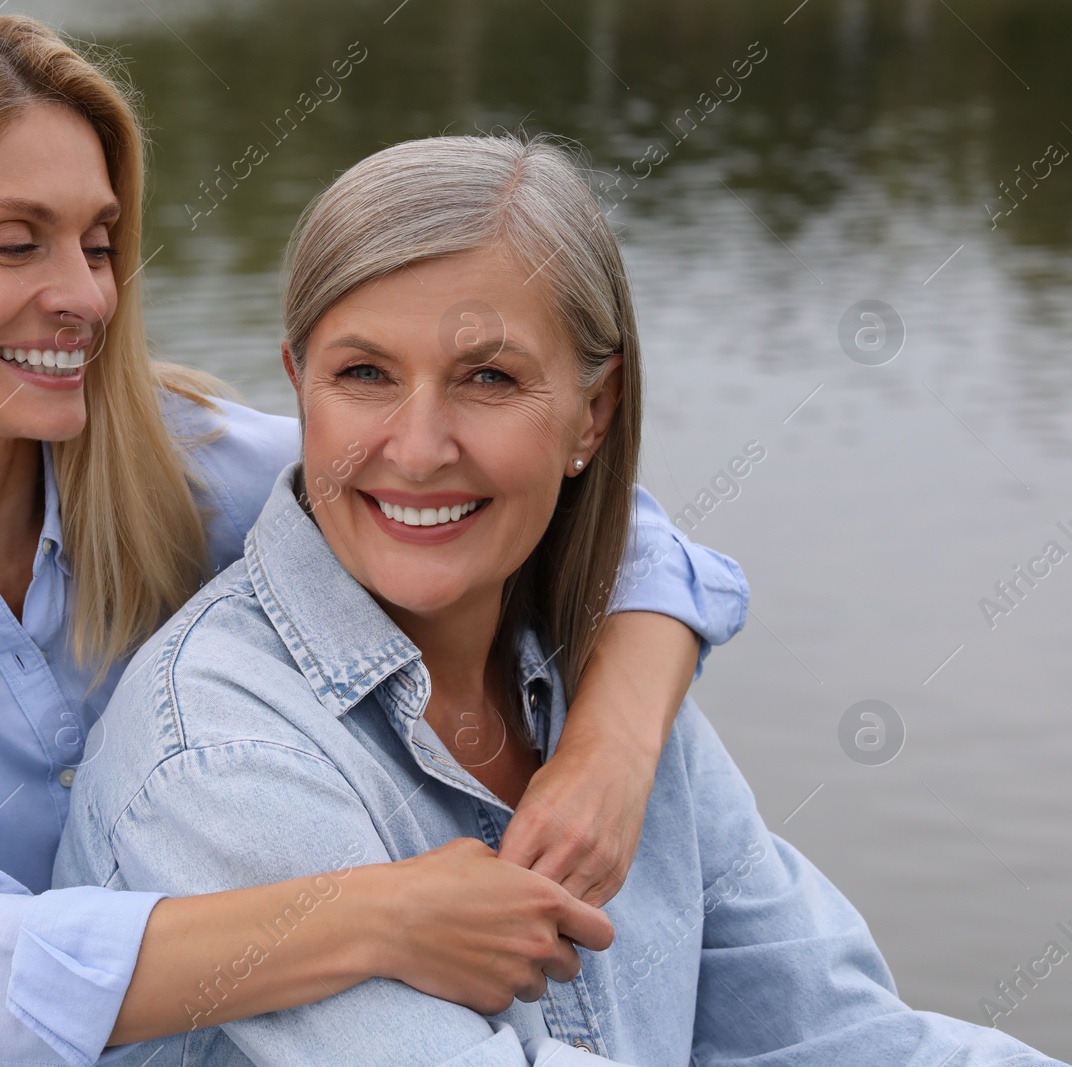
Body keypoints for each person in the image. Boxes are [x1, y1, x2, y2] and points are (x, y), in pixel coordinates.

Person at [0, 8, 750, 1067]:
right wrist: (379, 912)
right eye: (17, 244)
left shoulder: (183, 468)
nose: (84, 296)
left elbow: (592, 526)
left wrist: (608, 752)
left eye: (99, 243)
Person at [52, 134, 1065, 1066]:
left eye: (488, 378)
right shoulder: (221, 752)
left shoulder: (611, 706)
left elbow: (841, 1039)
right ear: (298, 385)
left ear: (594, 413)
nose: (416, 447)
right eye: (363, 373)